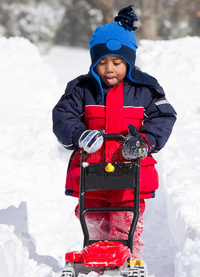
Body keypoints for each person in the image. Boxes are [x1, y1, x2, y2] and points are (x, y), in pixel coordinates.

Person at [52, 6, 176, 260]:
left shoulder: (145, 89)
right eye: (102, 62)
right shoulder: (81, 89)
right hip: (92, 168)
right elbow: (63, 115)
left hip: (131, 169)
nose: (110, 69)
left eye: (117, 63)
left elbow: (164, 115)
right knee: (93, 215)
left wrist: (145, 141)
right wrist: (79, 135)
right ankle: (96, 252)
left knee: (125, 215)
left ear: (129, 62)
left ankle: (125, 253)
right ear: (93, 63)